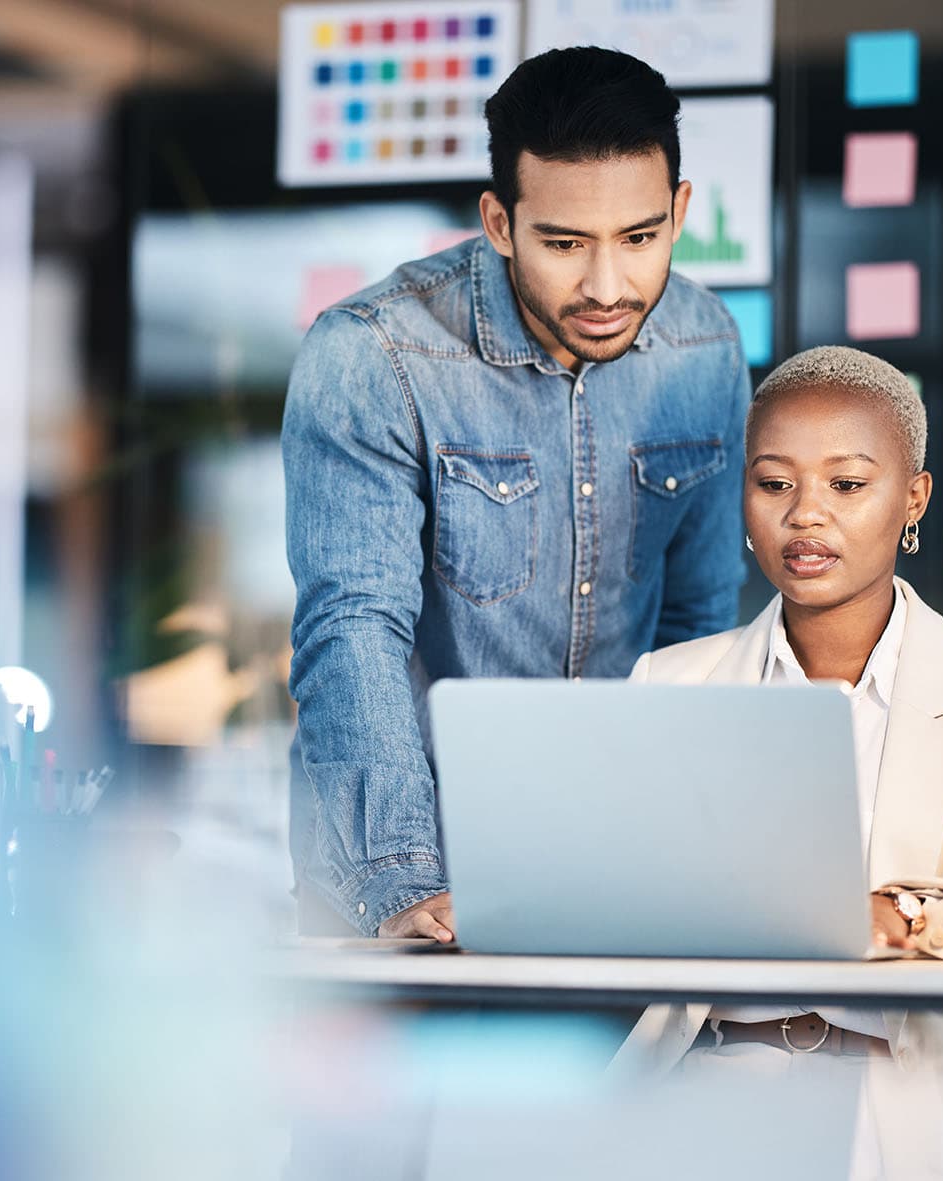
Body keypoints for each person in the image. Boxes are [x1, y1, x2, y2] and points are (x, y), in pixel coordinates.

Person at [282, 48, 752, 939]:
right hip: (404, 874)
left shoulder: (706, 347)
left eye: (640, 238)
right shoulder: (372, 354)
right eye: (566, 244)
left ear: (680, 212)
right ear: (500, 221)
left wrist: (693, 853)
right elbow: (353, 630)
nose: (609, 286)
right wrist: (402, 883)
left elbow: (699, 627)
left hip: (612, 871)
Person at [615, 346, 943, 1087]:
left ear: (914, 499)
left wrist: (906, 913)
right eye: (774, 482)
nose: (805, 512)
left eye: (847, 483)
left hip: (934, 1099)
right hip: (711, 1087)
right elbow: (623, 897)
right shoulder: (671, 683)